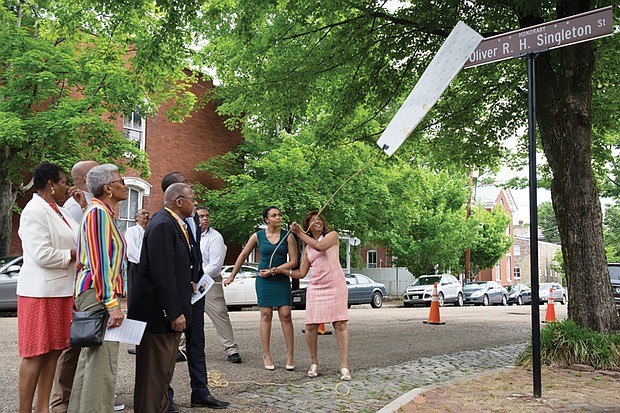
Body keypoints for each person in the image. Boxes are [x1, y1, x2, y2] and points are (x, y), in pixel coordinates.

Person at [50, 160, 115, 413]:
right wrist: (111, 302)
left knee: (83, 349)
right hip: (86, 287)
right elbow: (96, 254)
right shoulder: (87, 210)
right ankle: (61, 402)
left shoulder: (86, 206)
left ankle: (73, 402)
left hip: (84, 285)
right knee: (76, 348)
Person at [16, 162, 82, 413]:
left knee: (54, 351)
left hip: (62, 291)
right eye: (64, 181)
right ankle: (25, 410)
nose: (68, 186)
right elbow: (41, 254)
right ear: (50, 184)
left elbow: (82, 234)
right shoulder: (33, 211)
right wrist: (73, 254)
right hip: (39, 293)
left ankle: (43, 407)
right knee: (35, 354)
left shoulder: (60, 211)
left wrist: (84, 206)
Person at [160, 173, 229, 411]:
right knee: (169, 347)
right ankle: (164, 396)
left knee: (196, 343)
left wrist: (198, 278)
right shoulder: (164, 222)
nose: (193, 192)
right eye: (187, 187)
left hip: (195, 291)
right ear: (175, 195)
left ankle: (200, 391)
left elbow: (194, 254)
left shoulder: (193, 220)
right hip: (175, 295)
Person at [128, 183, 196, 412]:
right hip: (158, 315)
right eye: (192, 198)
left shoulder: (175, 224)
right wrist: (174, 312)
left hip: (166, 315)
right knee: (153, 378)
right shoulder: (163, 225)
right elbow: (162, 273)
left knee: (163, 375)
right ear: (179, 201)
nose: (195, 203)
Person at [68, 164, 128, 413]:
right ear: (108, 189)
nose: (124, 185)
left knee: (91, 360)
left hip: (95, 293)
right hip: (97, 293)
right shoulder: (98, 214)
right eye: (120, 181)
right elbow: (100, 261)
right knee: (101, 362)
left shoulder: (100, 213)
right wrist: (112, 304)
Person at [224, 206, 298, 370]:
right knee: (266, 315)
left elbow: (293, 261)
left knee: (285, 315)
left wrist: (276, 270)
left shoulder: (288, 236)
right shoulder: (257, 236)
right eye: (274, 215)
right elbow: (243, 255)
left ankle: (290, 355)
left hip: (281, 277)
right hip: (263, 279)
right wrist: (232, 276)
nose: (278, 218)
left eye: (279, 215)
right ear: (266, 220)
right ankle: (266, 354)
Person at [289, 210, 350, 381]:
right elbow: (301, 273)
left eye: (319, 219)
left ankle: (344, 366)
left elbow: (320, 247)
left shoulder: (332, 236)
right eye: (312, 220)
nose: (317, 221)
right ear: (308, 226)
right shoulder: (308, 248)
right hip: (316, 287)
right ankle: (314, 362)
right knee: (310, 326)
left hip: (335, 284)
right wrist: (280, 271)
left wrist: (299, 233)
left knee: (340, 324)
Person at [197, 206, 241, 363]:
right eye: (201, 216)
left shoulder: (215, 237)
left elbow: (215, 264)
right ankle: (181, 349)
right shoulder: (188, 235)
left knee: (219, 313)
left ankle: (231, 349)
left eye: (207, 216)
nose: (205, 219)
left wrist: (197, 277)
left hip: (209, 282)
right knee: (185, 314)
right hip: (190, 281)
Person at [124, 208, 150, 311]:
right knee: (135, 294)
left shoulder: (149, 231)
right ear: (136, 218)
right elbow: (131, 249)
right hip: (136, 266)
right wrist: (144, 261)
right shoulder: (131, 231)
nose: (146, 215)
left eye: (147, 213)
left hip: (148, 267)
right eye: (143, 214)